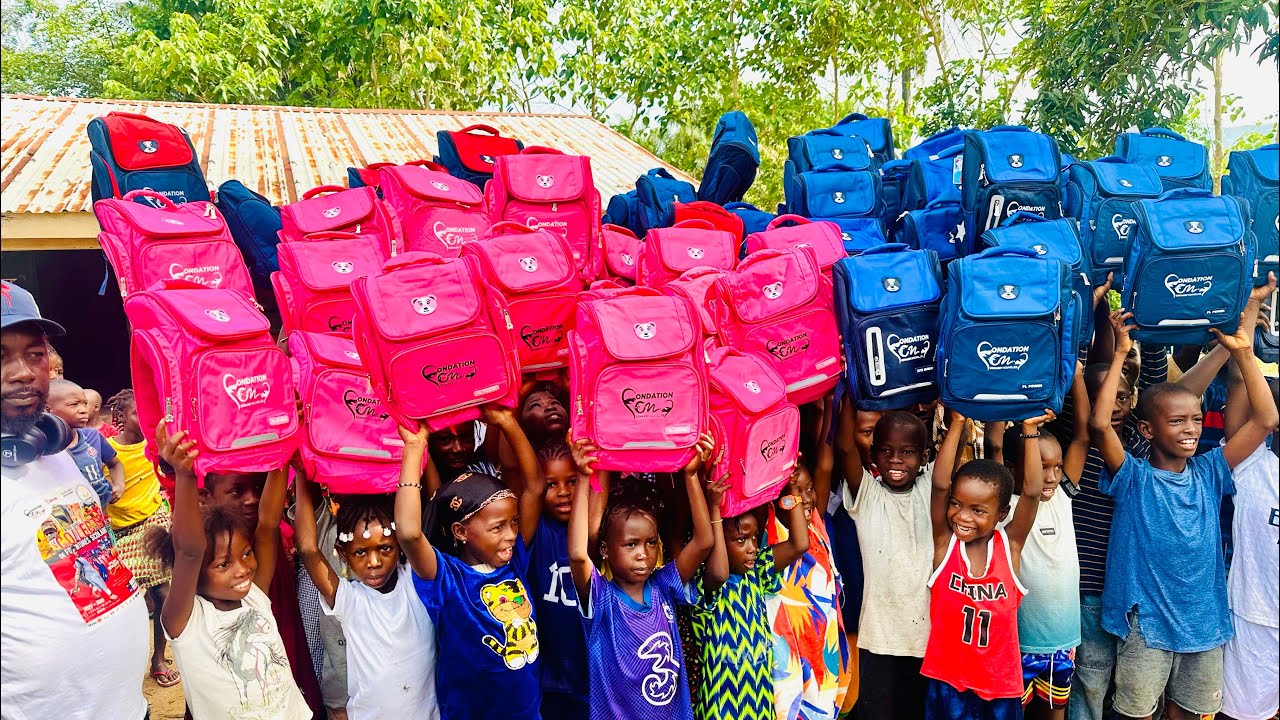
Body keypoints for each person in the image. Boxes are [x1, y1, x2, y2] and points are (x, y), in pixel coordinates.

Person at [1090, 307, 1279, 720]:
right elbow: (1101, 425)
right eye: (1177, 421)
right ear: (1146, 430)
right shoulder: (1133, 477)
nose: (1192, 429)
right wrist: (1122, 352)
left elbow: (1266, 419)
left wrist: (1243, 353)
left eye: (1196, 419)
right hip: (1147, 625)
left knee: (1190, 712)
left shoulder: (1211, 470)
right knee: (1135, 712)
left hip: (1205, 622)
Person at [1, 280, 149, 720]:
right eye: (1, 356)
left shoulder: (57, 453)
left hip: (125, 707)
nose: (24, 371)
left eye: (34, 353)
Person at [150, 421, 311, 718]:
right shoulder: (186, 622)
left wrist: (283, 451)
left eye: (247, 554)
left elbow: (267, 524)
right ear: (196, 572)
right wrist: (186, 474)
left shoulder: (256, 596)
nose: (243, 569)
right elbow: (189, 552)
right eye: (224, 563)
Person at [395, 406, 543, 720]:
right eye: (498, 527)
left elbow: (534, 487)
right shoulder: (447, 577)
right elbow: (409, 534)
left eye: (513, 522)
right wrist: (414, 448)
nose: (511, 534)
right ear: (461, 531)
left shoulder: (514, 560)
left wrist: (505, 421)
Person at [569, 434, 716, 720]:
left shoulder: (663, 585)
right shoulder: (602, 598)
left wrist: (690, 475)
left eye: (651, 543)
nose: (643, 553)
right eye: (630, 544)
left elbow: (704, 542)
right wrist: (584, 478)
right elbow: (577, 554)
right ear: (605, 549)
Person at [922, 409, 1049, 719]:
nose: (963, 517)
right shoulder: (945, 543)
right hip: (947, 681)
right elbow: (939, 486)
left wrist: (1029, 432)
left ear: (1001, 514)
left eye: (978, 511)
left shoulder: (1010, 547)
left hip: (999, 685)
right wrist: (957, 423)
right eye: (957, 504)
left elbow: (1031, 493)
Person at [293, 473, 440, 719]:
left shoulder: (416, 582)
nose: (374, 562)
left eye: (385, 548)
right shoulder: (349, 600)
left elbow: (415, 529)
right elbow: (308, 549)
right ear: (342, 555)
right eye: (360, 552)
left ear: (400, 544)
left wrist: (414, 451)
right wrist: (301, 473)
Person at [999, 364, 1091, 720]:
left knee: (1055, 712)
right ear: (1011, 467)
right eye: (1042, 466)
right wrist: (1027, 432)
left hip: (1062, 639)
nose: (1051, 476)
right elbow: (997, 444)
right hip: (1017, 642)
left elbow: (1082, 436)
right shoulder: (1004, 507)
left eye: (1055, 466)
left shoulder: (1064, 495)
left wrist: (1078, 377)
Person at [836, 407, 935, 720]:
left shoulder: (932, 488)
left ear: (924, 457)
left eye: (907, 452)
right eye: (886, 451)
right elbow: (844, 447)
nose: (895, 460)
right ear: (873, 454)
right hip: (878, 638)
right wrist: (850, 390)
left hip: (927, 640)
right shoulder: (867, 496)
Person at [691, 467, 810, 720]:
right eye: (741, 540)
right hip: (720, 702)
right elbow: (720, 572)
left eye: (755, 538)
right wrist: (714, 508)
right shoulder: (705, 582)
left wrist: (791, 491)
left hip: (758, 700)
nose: (752, 548)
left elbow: (800, 543)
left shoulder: (756, 572)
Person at [92, 388, 180, 687]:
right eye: (135, 414)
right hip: (120, 531)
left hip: (153, 521)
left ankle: (159, 658)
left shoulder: (156, 445)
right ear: (120, 417)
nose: (142, 419)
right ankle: (128, 661)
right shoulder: (107, 449)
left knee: (163, 593)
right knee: (133, 603)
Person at [768, 425, 851, 720]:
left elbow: (825, 464)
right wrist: (790, 490)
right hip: (793, 653)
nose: (805, 499)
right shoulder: (771, 540)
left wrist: (831, 400)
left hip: (822, 646)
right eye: (793, 494)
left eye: (809, 489)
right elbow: (797, 544)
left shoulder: (817, 525)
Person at [1219, 369, 1279, 720]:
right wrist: (1243, 349)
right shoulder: (1255, 465)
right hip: (1254, 616)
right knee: (1243, 714)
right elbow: (1238, 388)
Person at [524, 441, 591, 719]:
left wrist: (587, 474)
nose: (563, 492)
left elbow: (593, 511)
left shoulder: (593, 532)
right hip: (547, 675)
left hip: (588, 673)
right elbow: (526, 481)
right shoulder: (536, 531)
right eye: (551, 484)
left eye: (572, 481)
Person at [45, 378, 124, 508]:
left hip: (103, 517)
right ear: (48, 409)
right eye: (74, 404)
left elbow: (115, 464)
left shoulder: (93, 436)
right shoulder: (47, 449)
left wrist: (119, 485)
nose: (83, 410)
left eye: (85, 403)